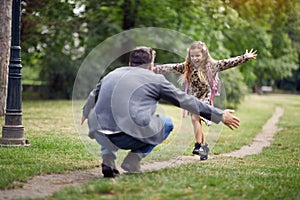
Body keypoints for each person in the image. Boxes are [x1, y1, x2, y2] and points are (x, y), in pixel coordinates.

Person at [81, 46, 240, 178]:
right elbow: (186, 100)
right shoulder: (155, 80)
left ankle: (108, 158)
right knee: (167, 123)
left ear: (130, 62)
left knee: (109, 119)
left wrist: (85, 112)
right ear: (151, 65)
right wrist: (219, 115)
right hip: (127, 136)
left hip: (99, 133)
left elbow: (93, 94)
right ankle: (133, 159)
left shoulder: (112, 73)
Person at [153, 41, 257, 160]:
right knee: (196, 119)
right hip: (194, 96)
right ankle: (203, 147)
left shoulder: (211, 66)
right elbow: (169, 67)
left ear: (204, 55)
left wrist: (244, 57)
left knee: (194, 117)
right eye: (192, 56)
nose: (195, 58)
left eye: (197, 56)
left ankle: (198, 145)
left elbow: (228, 62)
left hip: (206, 96)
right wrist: (152, 69)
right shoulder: (187, 66)